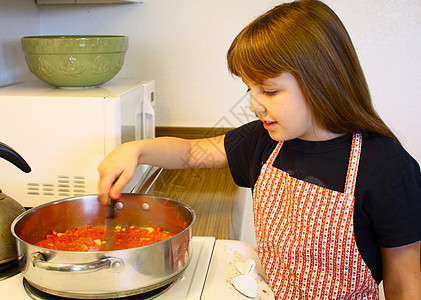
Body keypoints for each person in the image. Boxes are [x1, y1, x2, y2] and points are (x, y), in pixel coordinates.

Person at [98, 0, 421, 298]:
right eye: (249, 90)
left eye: (269, 91)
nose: (254, 105)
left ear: (322, 80)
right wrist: (135, 149)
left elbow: (404, 281)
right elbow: (190, 152)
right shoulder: (264, 141)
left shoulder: (387, 168)